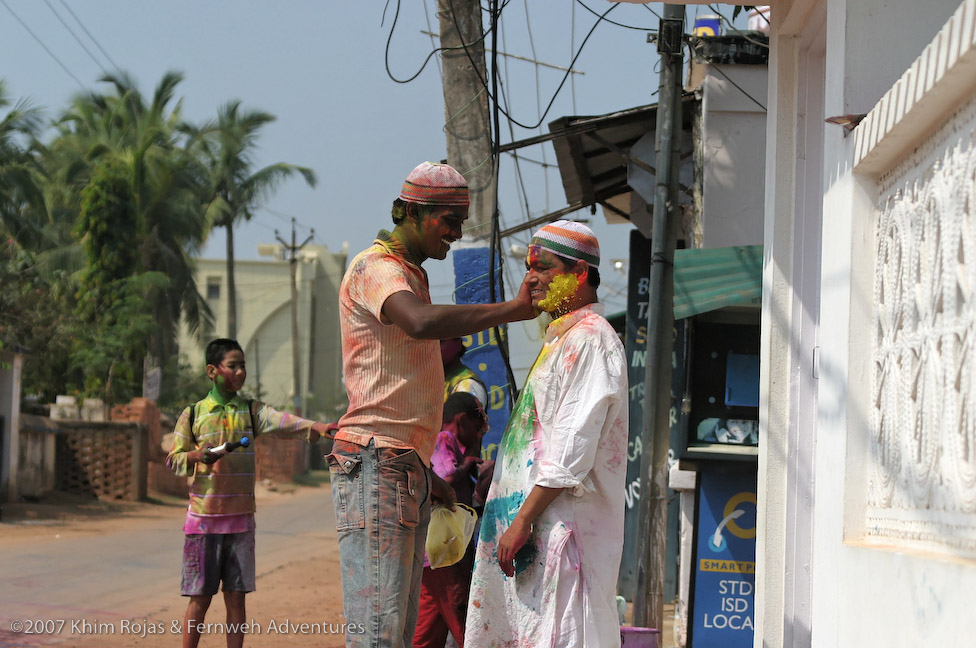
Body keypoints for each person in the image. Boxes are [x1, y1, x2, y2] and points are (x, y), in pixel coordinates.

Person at [327, 161, 536, 647]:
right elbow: (420, 323)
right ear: (413, 214)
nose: (456, 233)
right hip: (375, 462)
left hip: (400, 465)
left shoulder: (410, 276)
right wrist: (515, 310)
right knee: (378, 632)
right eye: (449, 220)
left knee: (395, 630)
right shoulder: (376, 269)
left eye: (461, 222)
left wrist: (429, 479)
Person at [464, 220, 629, 648]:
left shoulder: (590, 340)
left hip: (563, 532)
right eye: (527, 267)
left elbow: (572, 451)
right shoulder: (562, 338)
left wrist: (521, 520)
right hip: (539, 529)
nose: (531, 278)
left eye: (544, 267)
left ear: (579, 273)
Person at [166, 338, 332, 648]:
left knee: (237, 599)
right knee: (200, 599)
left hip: (241, 522)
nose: (241, 371)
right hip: (203, 523)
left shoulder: (251, 411)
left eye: (243, 365)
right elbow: (174, 460)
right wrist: (196, 456)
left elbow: (283, 422)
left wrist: (317, 427)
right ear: (212, 371)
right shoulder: (193, 414)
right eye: (233, 366)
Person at [413, 392, 488, 648]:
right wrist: (467, 465)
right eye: (478, 424)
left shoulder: (440, 440)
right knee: (462, 618)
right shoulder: (443, 438)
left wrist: (475, 441)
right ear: (461, 420)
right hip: (445, 552)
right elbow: (443, 481)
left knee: (428, 626)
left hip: (430, 555)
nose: (481, 430)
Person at [440, 337, 488, 408]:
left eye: (440, 342)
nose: (432, 349)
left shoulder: (467, 384)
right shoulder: (427, 381)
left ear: (458, 344)